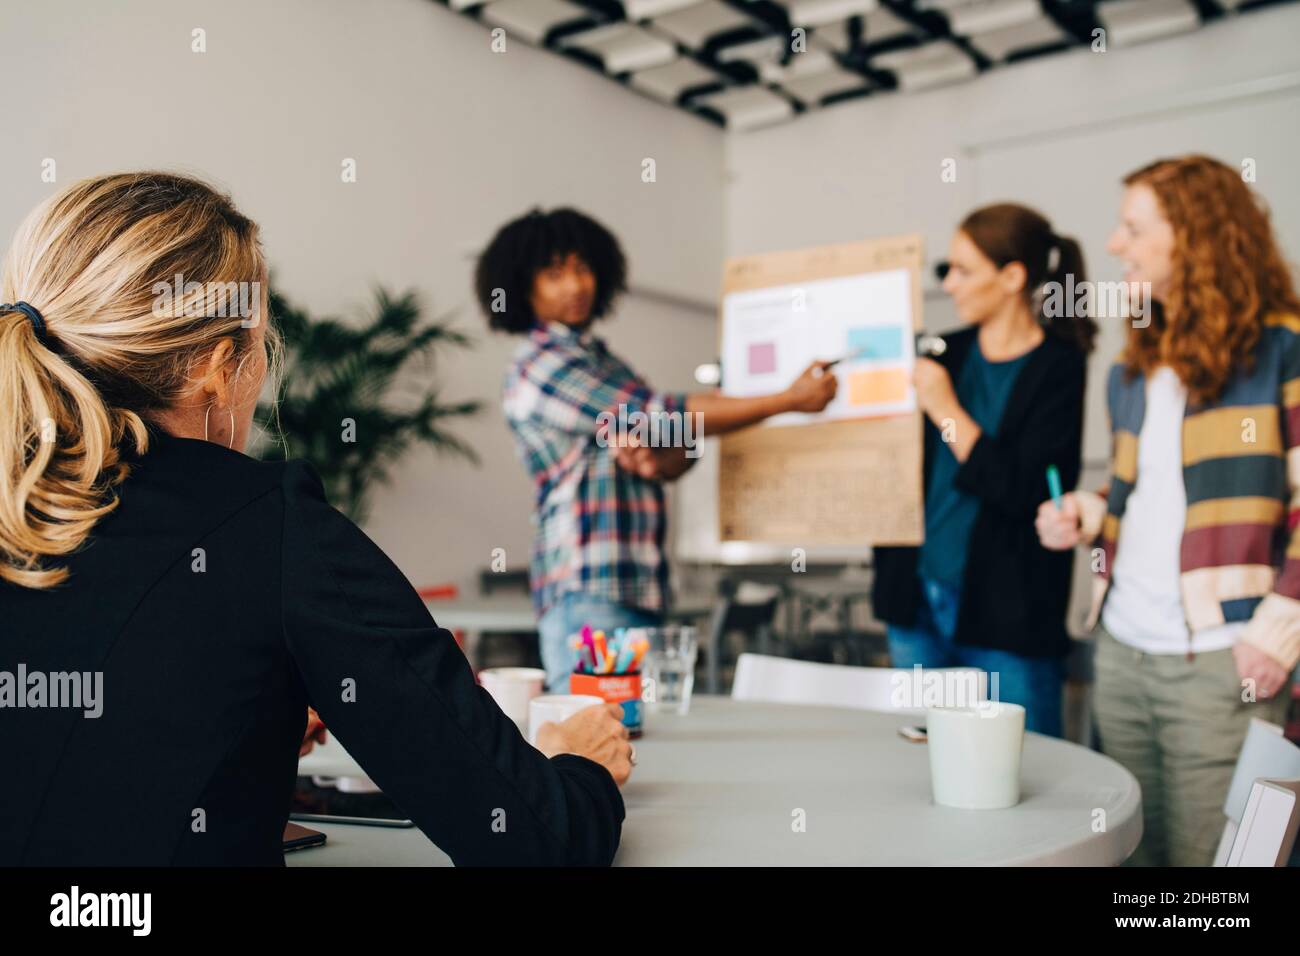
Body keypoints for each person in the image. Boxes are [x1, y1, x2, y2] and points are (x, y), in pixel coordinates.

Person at [0, 172, 630, 866]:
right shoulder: (270, 527)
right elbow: (539, 841)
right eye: (260, 353)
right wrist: (581, 763)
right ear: (216, 368)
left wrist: (240, 718)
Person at [1037, 155, 1300, 865]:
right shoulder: (1132, 369)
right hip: (1121, 652)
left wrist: (1276, 636)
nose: (1115, 244)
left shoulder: (1283, 348)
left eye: (1132, 227)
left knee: (1215, 873)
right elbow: (1146, 496)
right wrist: (1087, 513)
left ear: (1196, 235)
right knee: (1134, 856)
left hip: (1221, 663)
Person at [476, 207, 836, 691]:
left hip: (637, 582)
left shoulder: (605, 363)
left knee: (638, 742)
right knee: (594, 744)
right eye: (554, 273)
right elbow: (659, 416)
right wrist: (787, 400)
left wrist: (663, 456)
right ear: (523, 286)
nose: (575, 284)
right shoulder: (540, 365)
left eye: (583, 268)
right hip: (587, 585)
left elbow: (676, 439)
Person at [872, 203, 1097, 736]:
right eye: (946, 269)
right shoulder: (942, 353)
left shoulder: (1059, 368)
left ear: (1013, 277)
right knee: (922, 769)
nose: (949, 284)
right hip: (915, 600)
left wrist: (946, 410)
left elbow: (1025, 490)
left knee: (1027, 775)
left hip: (1009, 613)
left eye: (964, 270)